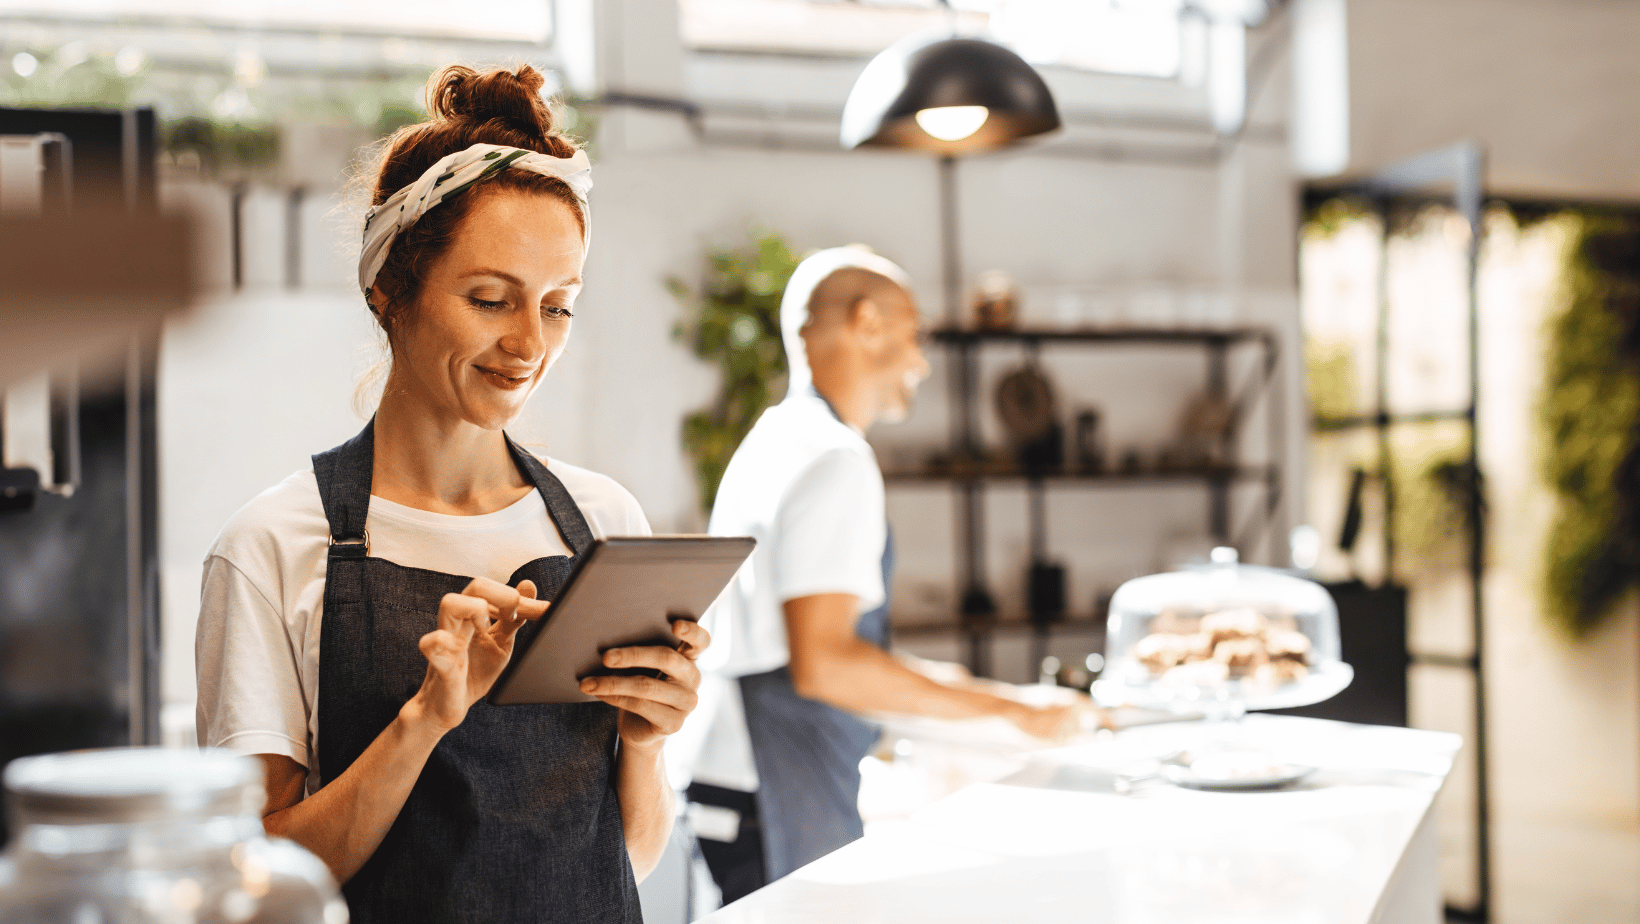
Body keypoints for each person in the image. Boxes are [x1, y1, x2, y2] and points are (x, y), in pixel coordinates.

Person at [194, 64, 707, 924]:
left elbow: (626, 862)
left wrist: (645, 744)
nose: (526, 344)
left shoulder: (605, 525)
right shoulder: (273, 545)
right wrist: (425, 720)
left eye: (558, 307)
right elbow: (255, 888)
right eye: (489, 299)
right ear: (388, 289)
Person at [681, 247, 1097, 902]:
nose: (921, 361)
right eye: (915, 333)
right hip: (780, 779)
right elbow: (826, 663)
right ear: (867, 321)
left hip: (734, 779)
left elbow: (801, 642)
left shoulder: (776, 438)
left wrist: (952, 684)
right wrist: (1014, 711)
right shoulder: (836, 458)